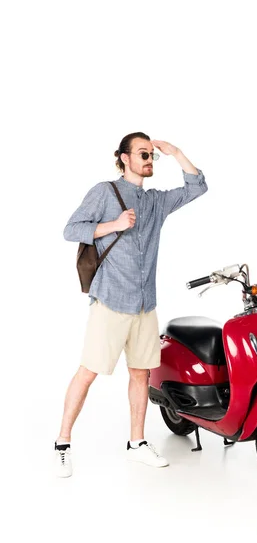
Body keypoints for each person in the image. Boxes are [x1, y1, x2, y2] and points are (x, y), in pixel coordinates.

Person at [55, 132, 208, 477]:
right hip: (110, 301)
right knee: (88, 372)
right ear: (124, 158)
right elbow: (70, 229)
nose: (150, 160)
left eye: (152, 155)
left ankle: (136, 443)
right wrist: (114, 224)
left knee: (141, 374)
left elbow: (197, 187)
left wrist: (177, 152)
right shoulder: (104, 192)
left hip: (144, 304)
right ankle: (62, 443)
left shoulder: (155, 201)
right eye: (143, 154)